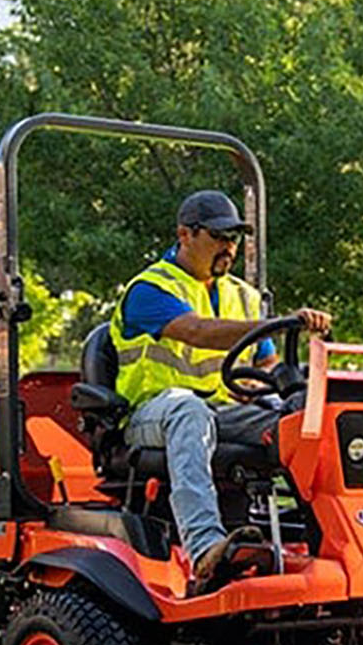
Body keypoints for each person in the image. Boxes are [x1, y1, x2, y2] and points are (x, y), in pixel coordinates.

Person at [110, 189, 332, 591]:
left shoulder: (241, 296)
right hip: (151, 415)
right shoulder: (150, 289)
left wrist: (276, 388)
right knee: (188, 410)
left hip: (221, 412)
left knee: (317, 415)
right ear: (185, 234)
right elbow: (196, 331)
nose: (229, 246)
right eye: (219, 236)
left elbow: (264, 365)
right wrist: (285, 321)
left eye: (234, 237)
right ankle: (205, 545)